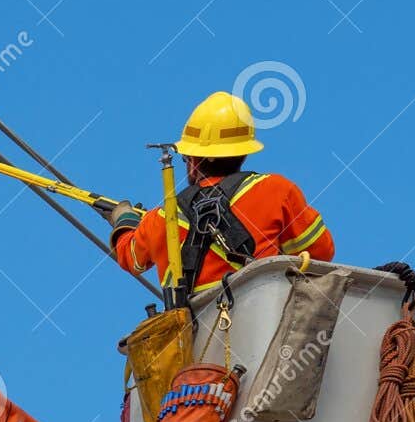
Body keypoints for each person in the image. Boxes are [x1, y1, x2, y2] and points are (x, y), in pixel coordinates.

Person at [108, 91, 334, 295]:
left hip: (197, 337)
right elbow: (320, 252)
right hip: (267, 322)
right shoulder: (277, 190)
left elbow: (130, 258)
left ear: (194, 162)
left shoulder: (162, 219)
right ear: (243, 153)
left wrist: (125, 219)